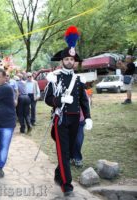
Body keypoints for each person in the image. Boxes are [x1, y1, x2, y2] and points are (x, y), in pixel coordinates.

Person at [44, 26, 92, 197]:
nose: (70, 61)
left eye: (72, 59)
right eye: (67, 59)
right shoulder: (54, 77)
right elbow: (47, 99)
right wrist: (59, 101)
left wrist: (88, 117)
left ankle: (59, 175)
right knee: (63, 153)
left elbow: (84, 100)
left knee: (70, 152)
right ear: (62, 61)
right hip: (61, 119)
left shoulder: (79, 79)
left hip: (76, 121)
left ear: (75, 61)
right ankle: (67, 184)